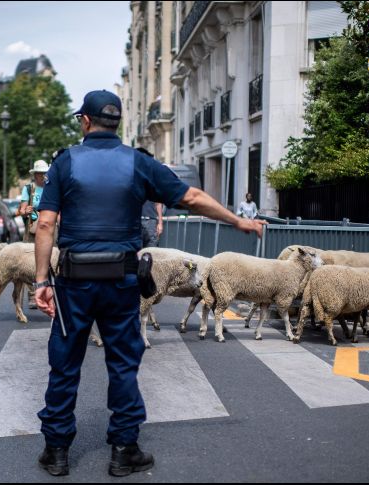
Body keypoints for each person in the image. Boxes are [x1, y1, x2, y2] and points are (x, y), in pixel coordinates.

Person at [33, 90, 266, 477]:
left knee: (65, 364)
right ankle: (124, 450)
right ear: (117, 122)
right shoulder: (137, 163)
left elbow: (45, 224)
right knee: (123, 364)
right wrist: (237, 221)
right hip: (122, 280)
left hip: (74, 283)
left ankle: (57, 451)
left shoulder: (65, 163)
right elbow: (190, 196)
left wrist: (42, 280)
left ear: (85, 121)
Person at [19, 160, 50, 309]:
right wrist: (26, 211)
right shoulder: (29, 188)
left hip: (49, 229)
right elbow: (22, 209)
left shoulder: (51, 187)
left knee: (50, 260)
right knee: (29, 261)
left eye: (45, 173)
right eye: (41, 173)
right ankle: (32, 295)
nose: (43, 176)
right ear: (35, 174)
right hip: (32, 228)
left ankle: (48, 292)